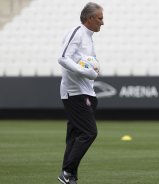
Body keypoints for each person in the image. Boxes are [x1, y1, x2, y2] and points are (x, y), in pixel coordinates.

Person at [57, 2, 104, 184]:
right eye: (100, 18)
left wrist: (94, 68)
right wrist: (86, 71)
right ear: (90, 18)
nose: (102, 22)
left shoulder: (89, 37)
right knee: (89, 133)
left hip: (86, 91)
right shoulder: (77, 32)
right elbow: (62, 58)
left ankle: (70, 177)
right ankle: (67, 172)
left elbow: (87, 62)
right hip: (74, 92)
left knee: (75, 136)